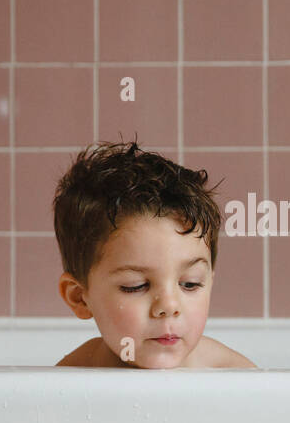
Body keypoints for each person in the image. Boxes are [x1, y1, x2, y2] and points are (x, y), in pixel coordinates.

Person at [52, 140, 256, 369]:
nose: (169, 306)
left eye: (190, 284)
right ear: (79, 297)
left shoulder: (232, 375)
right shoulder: (76, 373)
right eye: (136, 286)